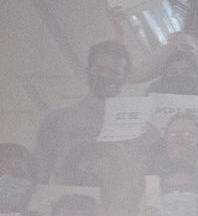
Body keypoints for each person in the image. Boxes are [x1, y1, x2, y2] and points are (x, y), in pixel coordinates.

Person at [36, 41, 129, 179]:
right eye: (99, 69)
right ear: (88, 71)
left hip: (118, 198)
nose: (105, 76)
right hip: (70, 195)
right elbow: (41, 170)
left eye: (115, 72)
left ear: (124, 78)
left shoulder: (136, 123)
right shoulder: (57, 118)